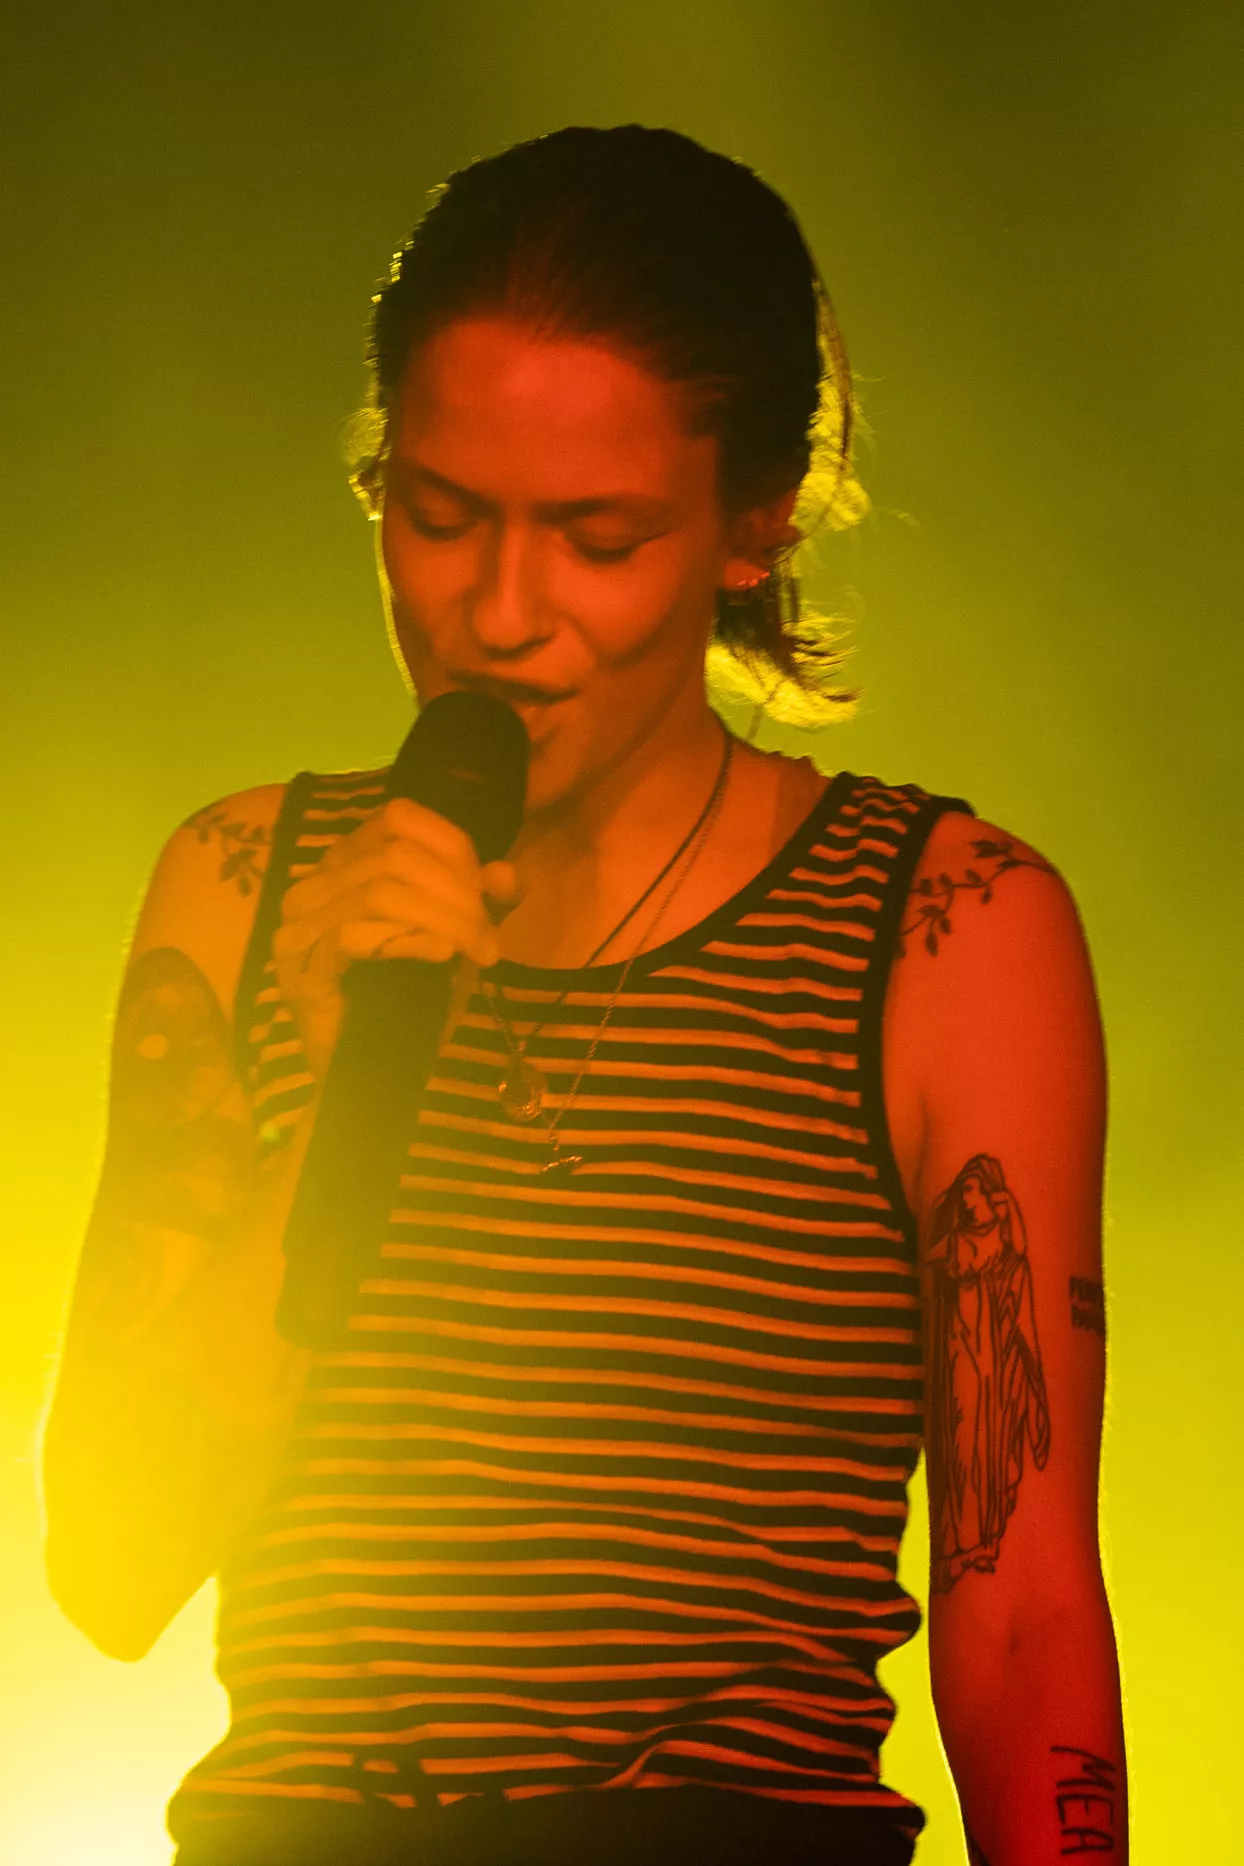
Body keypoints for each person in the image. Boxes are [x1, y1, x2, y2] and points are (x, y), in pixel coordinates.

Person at [41, 126, 1127, 1866]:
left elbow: (1023, 1611)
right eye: (439, 516)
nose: (497, 611)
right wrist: (330, 1090)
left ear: (755, 524)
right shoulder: (246, 886)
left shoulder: (946, 926)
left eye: (596, 536)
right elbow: (110, 1568)